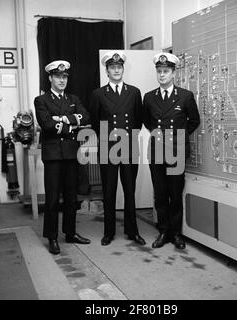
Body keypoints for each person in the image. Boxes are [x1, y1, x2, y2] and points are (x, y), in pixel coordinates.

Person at [143, 52, 200, 250]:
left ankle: (176, 233)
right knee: (160, 194)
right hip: (157, 151)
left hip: (176, 152)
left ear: (174, 73)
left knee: (175, 195)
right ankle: (163, 231)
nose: (162, 75)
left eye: (166, 71)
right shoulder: (149, 97)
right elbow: (147, 121)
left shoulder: (185, 96)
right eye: (159, 71)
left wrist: (179, 137)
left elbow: (194, 121)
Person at [34, 60, 91, 254]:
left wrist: (63, 119)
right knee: (51, 198)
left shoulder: (73, 98)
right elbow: (47, 124)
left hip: (71, 154)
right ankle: (51, 237)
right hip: (53, 156)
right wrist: (73, 125)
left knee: (71, 197)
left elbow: (86, 117)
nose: (62, 80)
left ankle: (70, 232)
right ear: (50, 78)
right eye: (58, 76)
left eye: (64, 77)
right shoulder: (41, 100)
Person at [90, 50, 145, 246]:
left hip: (129, 146)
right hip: (108, 147)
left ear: (123, 69)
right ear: (107, 71)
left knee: (130, 191)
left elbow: (138, 121)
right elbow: (95, 122)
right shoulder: (98, 94)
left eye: (119, 67)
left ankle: (133, 231)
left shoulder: (134, 92)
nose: (116, 70)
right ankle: (108, 232)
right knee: (109, 191)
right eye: (112, 67)